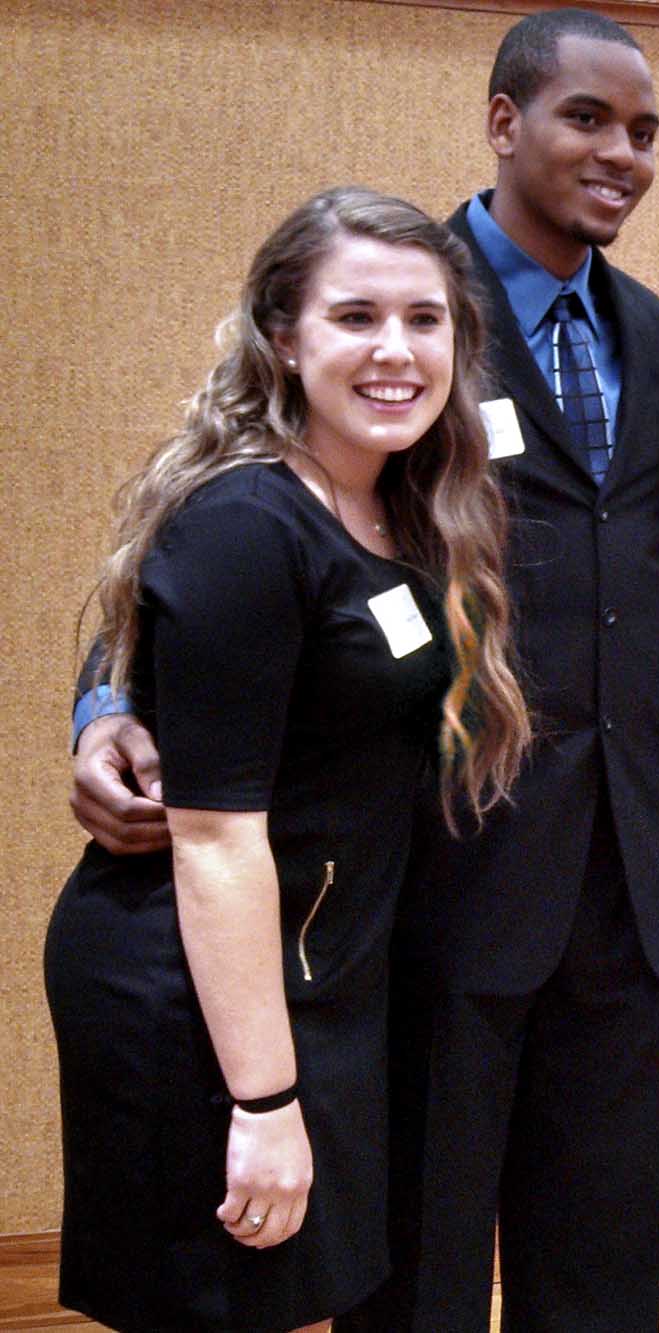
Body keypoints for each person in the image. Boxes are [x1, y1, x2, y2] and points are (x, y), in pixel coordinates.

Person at [67, 11, 659, 1330]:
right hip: (443, 873)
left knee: (600, 1261)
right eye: (586, 117)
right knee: (411, 1264)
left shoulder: (655, 336)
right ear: (502, 121)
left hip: (629, 873)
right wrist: (111, 700)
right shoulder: (394, 298)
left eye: (644, 131)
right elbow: (214, 541)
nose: (620, 153)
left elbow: (641, 561)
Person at [43, 187, 529, 1333]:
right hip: (202, 993)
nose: (396, 350)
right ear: (283, 336)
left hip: (314, 982)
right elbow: (213, 839)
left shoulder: (396, 510)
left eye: (426, 320)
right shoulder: (248, 522)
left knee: (289, 1304)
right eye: (355, 316)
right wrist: (263, 1099)